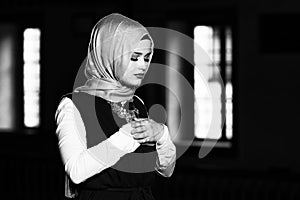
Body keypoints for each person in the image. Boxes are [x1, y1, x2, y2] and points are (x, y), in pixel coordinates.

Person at [55, 13, 176, 200]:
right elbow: (76, 171)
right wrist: (127, 137)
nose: (143, 65)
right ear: (109, 54)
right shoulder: (73, 105)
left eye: (147, 57)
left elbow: (165, 172)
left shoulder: (137, 103)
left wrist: (162, 135)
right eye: (134, 57)